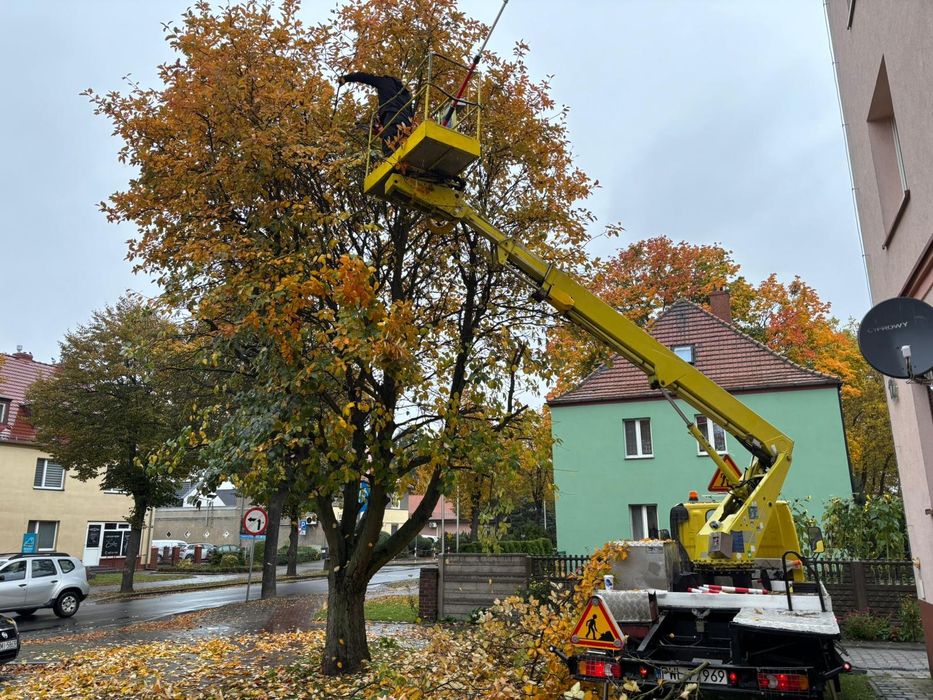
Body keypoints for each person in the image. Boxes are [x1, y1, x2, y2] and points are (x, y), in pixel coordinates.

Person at [339, 71, 414, 154]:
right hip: (407, 125)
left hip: (392, 117)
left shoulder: (385, 81)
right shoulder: (407, 95)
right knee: (404, 150)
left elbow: (364, 77)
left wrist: (346, 78)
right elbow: (411, 112)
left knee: (389, 151)